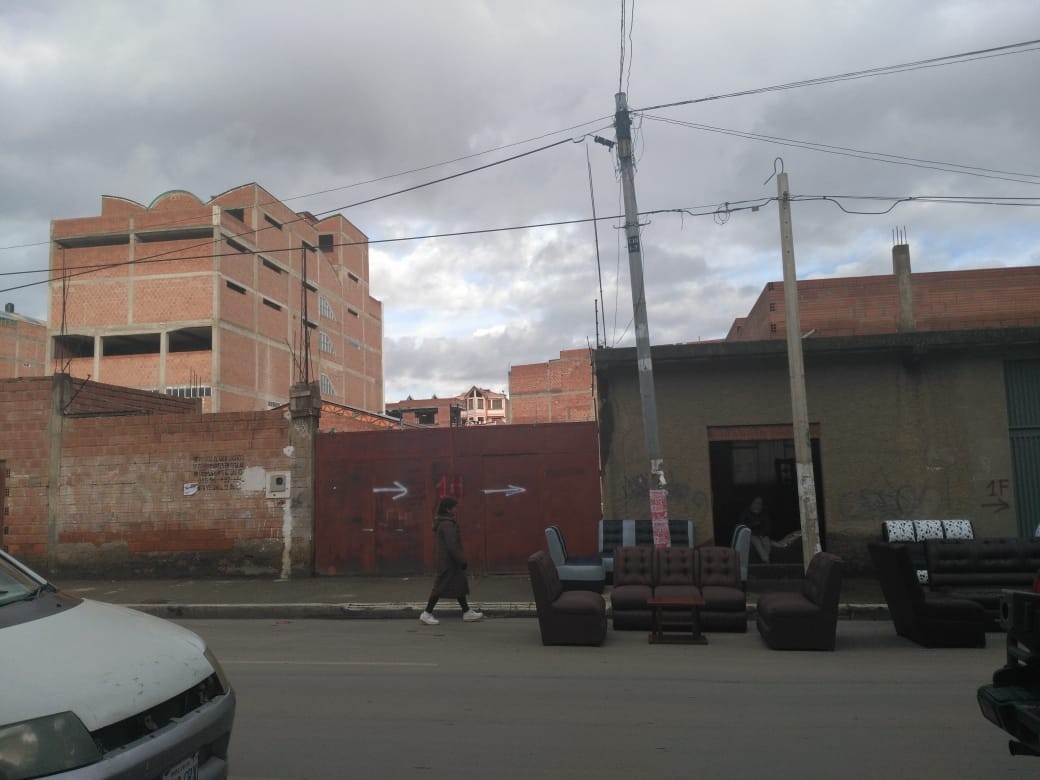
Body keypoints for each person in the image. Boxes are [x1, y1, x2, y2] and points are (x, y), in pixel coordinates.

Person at [419, 497, 484, 625]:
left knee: (459, 585)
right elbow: (452, 545)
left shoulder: (445, 522)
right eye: (454, 507)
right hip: (449, 562)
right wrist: (461, 560)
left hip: (450, 561)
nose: (456, 509)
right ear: (448, 509)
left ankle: (467, 612)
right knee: (439, 587)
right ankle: (426, 613)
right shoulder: (447, 524)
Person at [739, 496, 773, 564]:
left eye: (760, 503)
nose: (758, 505)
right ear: (752, 503)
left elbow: (768, 525)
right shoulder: (746, 513)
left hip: (762, 535)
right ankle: (766, 560)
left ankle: (766, 561)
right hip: (751, 535)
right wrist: (753, 524)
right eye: (756, 503)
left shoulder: (764, 513)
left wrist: (763, 534)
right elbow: (742, 526)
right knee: (757, 543)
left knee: (767, 542)